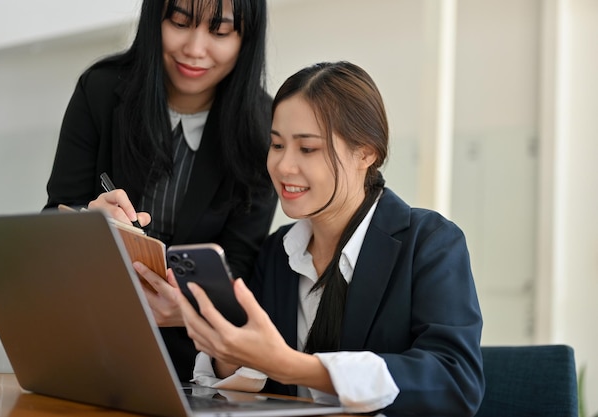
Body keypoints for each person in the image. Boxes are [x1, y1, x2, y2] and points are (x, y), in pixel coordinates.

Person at [138, 61, 485, 415]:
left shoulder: (430, 243)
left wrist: (290, 365)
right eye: (276, 145)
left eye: (307, 149)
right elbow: (259, 388)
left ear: (366, 152)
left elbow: (454, 382)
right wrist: (219, 337)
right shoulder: (278, 252)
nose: (284, 166)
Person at [43, 0, 276, 381]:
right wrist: (87, 221)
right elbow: (51, 220)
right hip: (82, 339)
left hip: (189, 365)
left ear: (245, 38)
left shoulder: (263, 130)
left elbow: (239, 270)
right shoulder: (101, 90)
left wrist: (186, 310)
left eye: (219, 32)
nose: (195, 49)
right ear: (156, 19)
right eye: (180, 23)